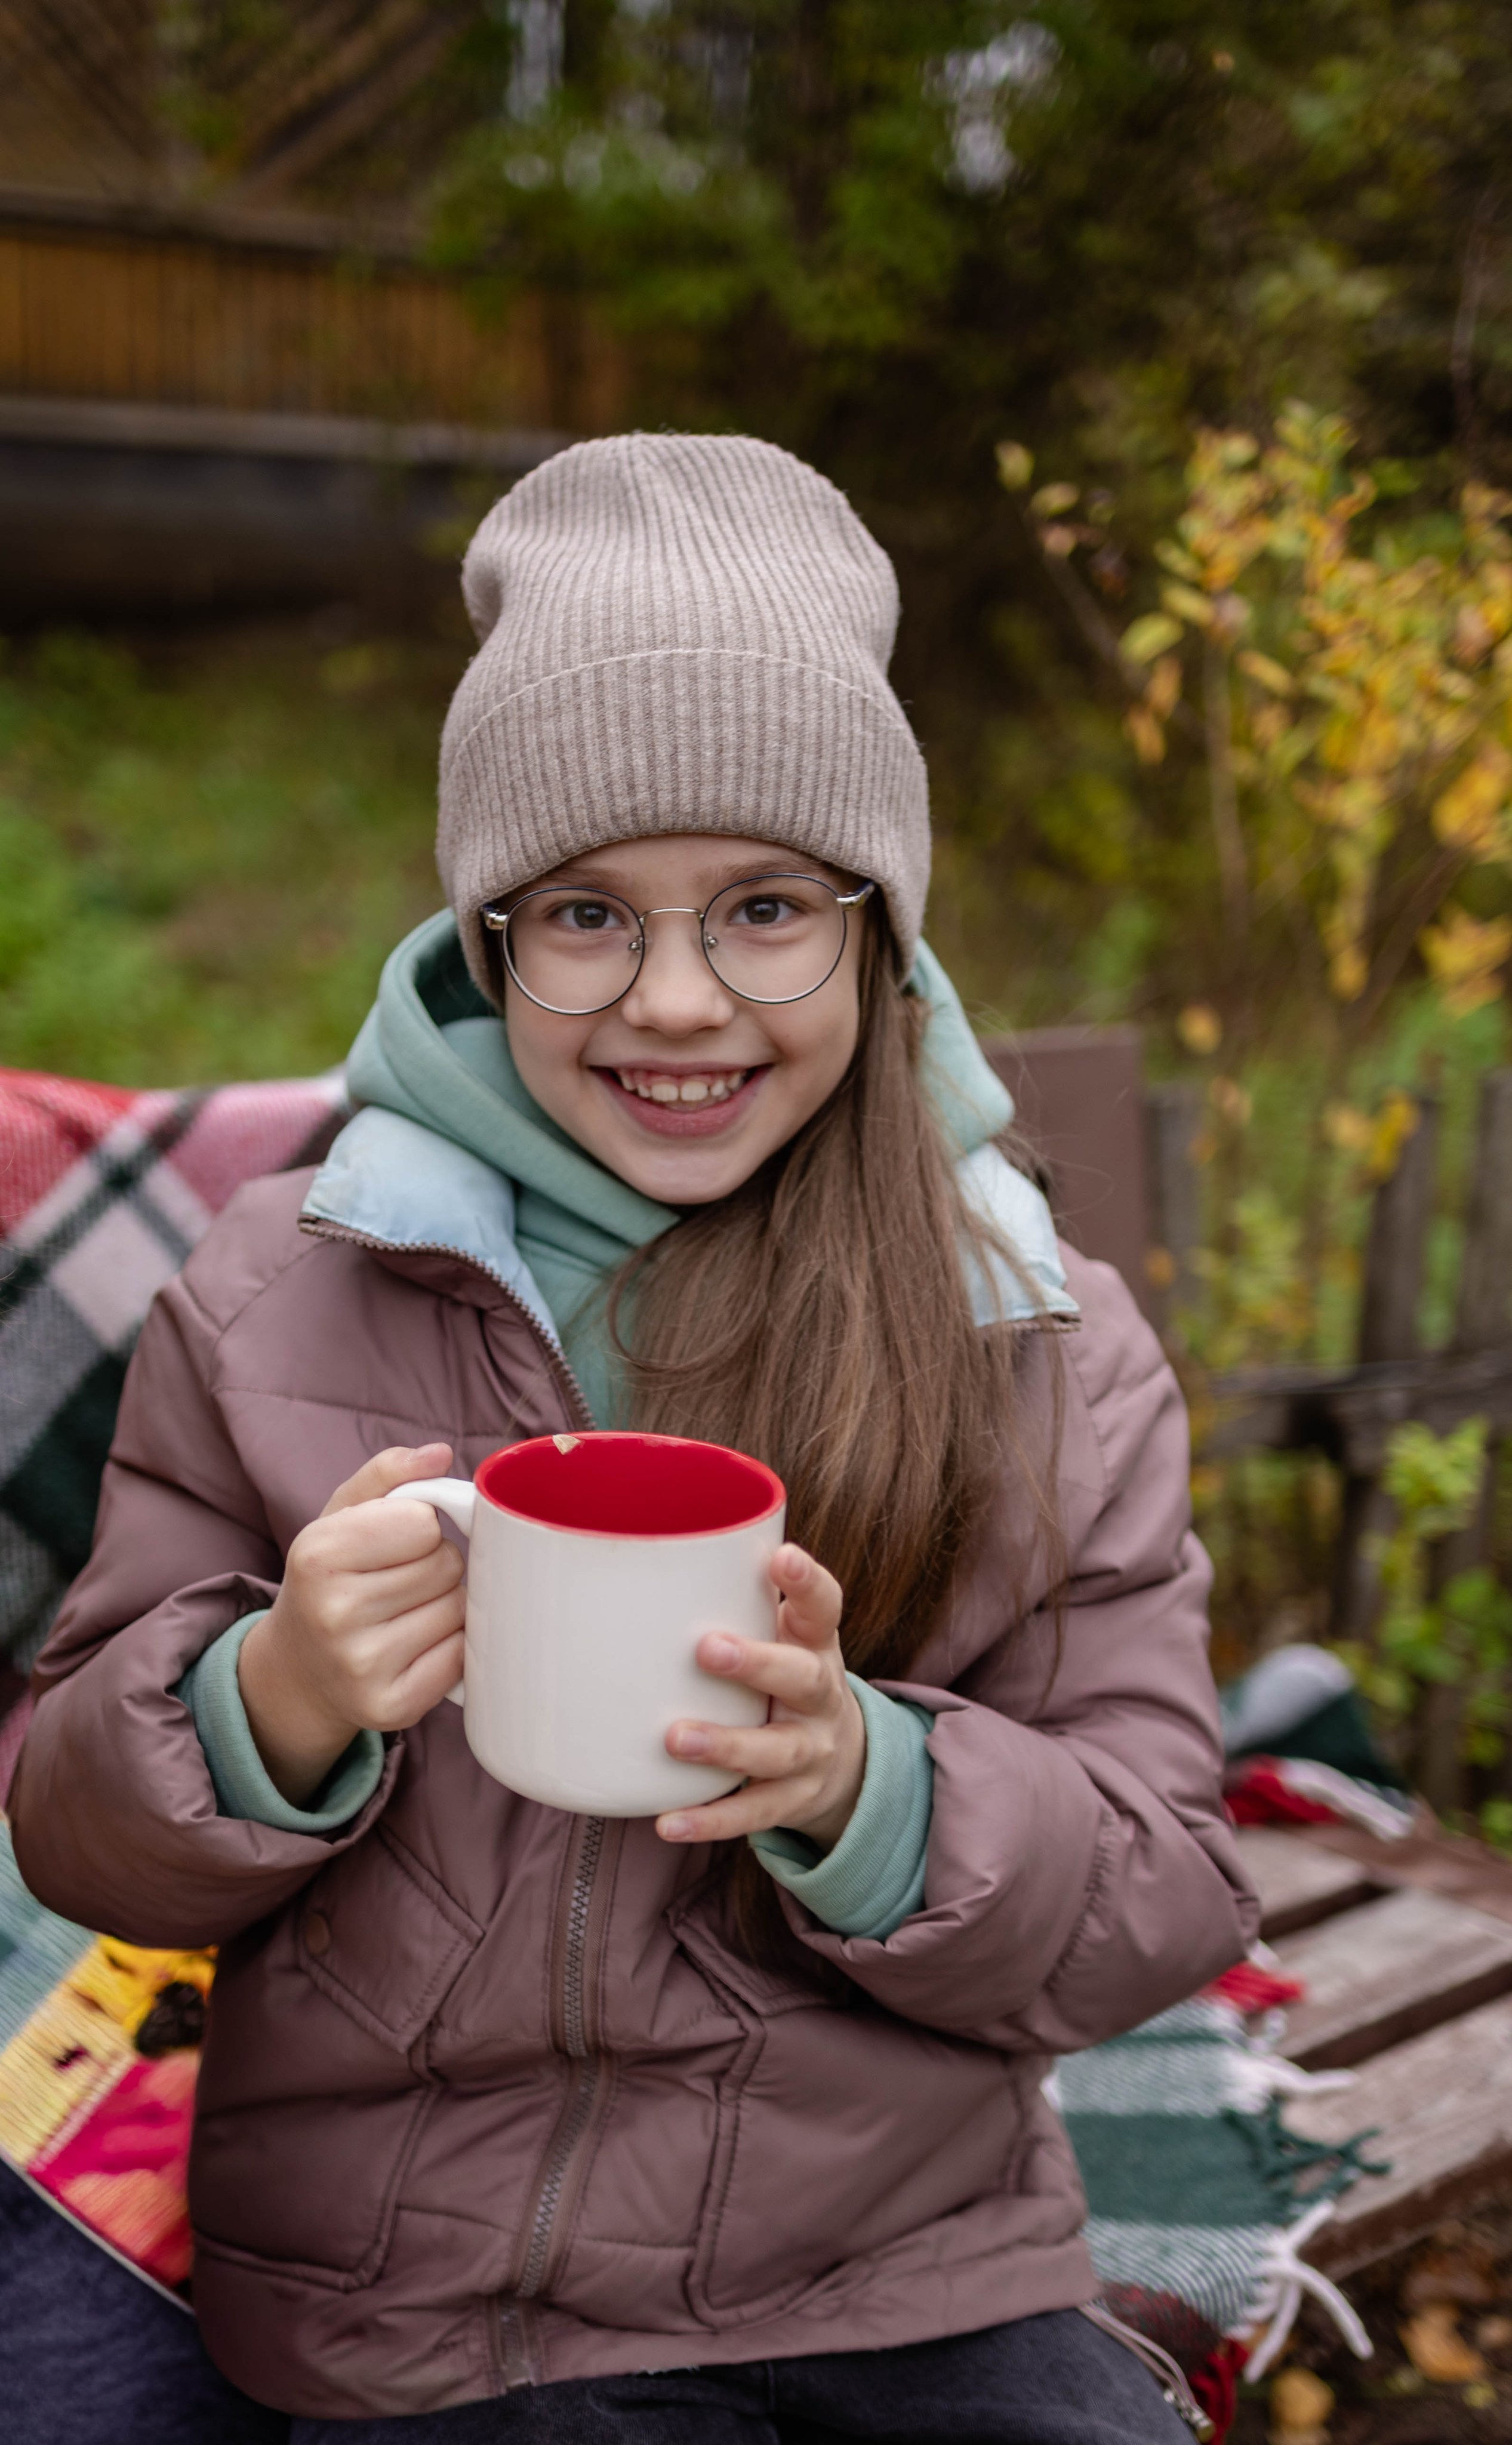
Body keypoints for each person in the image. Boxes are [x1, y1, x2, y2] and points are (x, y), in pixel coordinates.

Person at [8, 434, 1257, 2444]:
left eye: (764, 908)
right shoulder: (284, 1290)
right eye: (585, 916)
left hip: (901, 2264)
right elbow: (71, 1821)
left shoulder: (1030, 1342)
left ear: (877, 928)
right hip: (414, 2291)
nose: (677, 1002)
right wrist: (275, 1696)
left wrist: (877, 1784)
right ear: (491, 938)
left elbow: (1163, 1881)